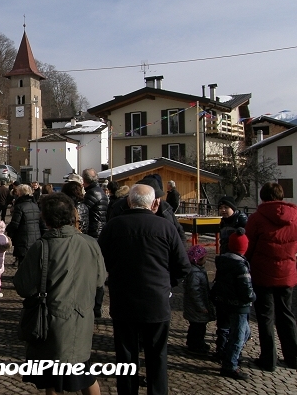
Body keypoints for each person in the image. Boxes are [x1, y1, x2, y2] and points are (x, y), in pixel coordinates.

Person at [99, 184, 191, 395]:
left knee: (126, 356)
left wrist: (112, 277)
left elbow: (99, 260)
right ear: (153, 203)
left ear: (129, 202)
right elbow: (183, 266)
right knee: (157, 355)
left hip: (124, 299)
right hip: (156, 299)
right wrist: (168, 285)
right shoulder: (165, 227)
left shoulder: (114, 226)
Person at [14, 193, 105, 395]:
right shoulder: (91, 243)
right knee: (85, 374)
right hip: (81, 321)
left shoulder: (42, 247)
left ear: (45, 218)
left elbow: (23, 287)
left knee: (54, 382)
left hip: (52, 324)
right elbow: (100, 280)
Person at [245, 182, 297, 371]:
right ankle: (293, 356)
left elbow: (248, 246)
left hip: (262, 273)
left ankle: (268, 359)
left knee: (265, 316)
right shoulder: (295, 216)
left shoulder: (257, 218)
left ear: (262, 197)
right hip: (287, 272)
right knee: (286, 314)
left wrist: (247, 263)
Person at [210, 228, 256, 380]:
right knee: (239, 335)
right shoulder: (241, 266)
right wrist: (253, 296)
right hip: (239, 305)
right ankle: (230, 363)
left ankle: (227, 354)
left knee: (236, 331)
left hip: (225, 302)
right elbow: (246, 290)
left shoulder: (224, 261)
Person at [82, 168, 109, 318]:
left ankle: (95, 305)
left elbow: (84, 212)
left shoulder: (92, 193)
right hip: (99, 231)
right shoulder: (100, 191)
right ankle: (96, 305)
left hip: (94, 233)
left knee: (95, 272)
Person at [183, 245, 214, 354]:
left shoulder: (198, 271)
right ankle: (195, 345)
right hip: (196, 308)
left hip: (196, 306)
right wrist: (201, 306)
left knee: (197, 326)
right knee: (198, 328)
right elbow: (194, 292)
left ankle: (195, 342)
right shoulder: (195, 273)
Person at [6, 184, 43, 265]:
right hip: (35, 238)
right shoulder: (35, 206)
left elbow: (15, 224)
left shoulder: (19, 206)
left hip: (22, 238)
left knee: (22, 263)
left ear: (20, 193)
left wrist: (8, 230)